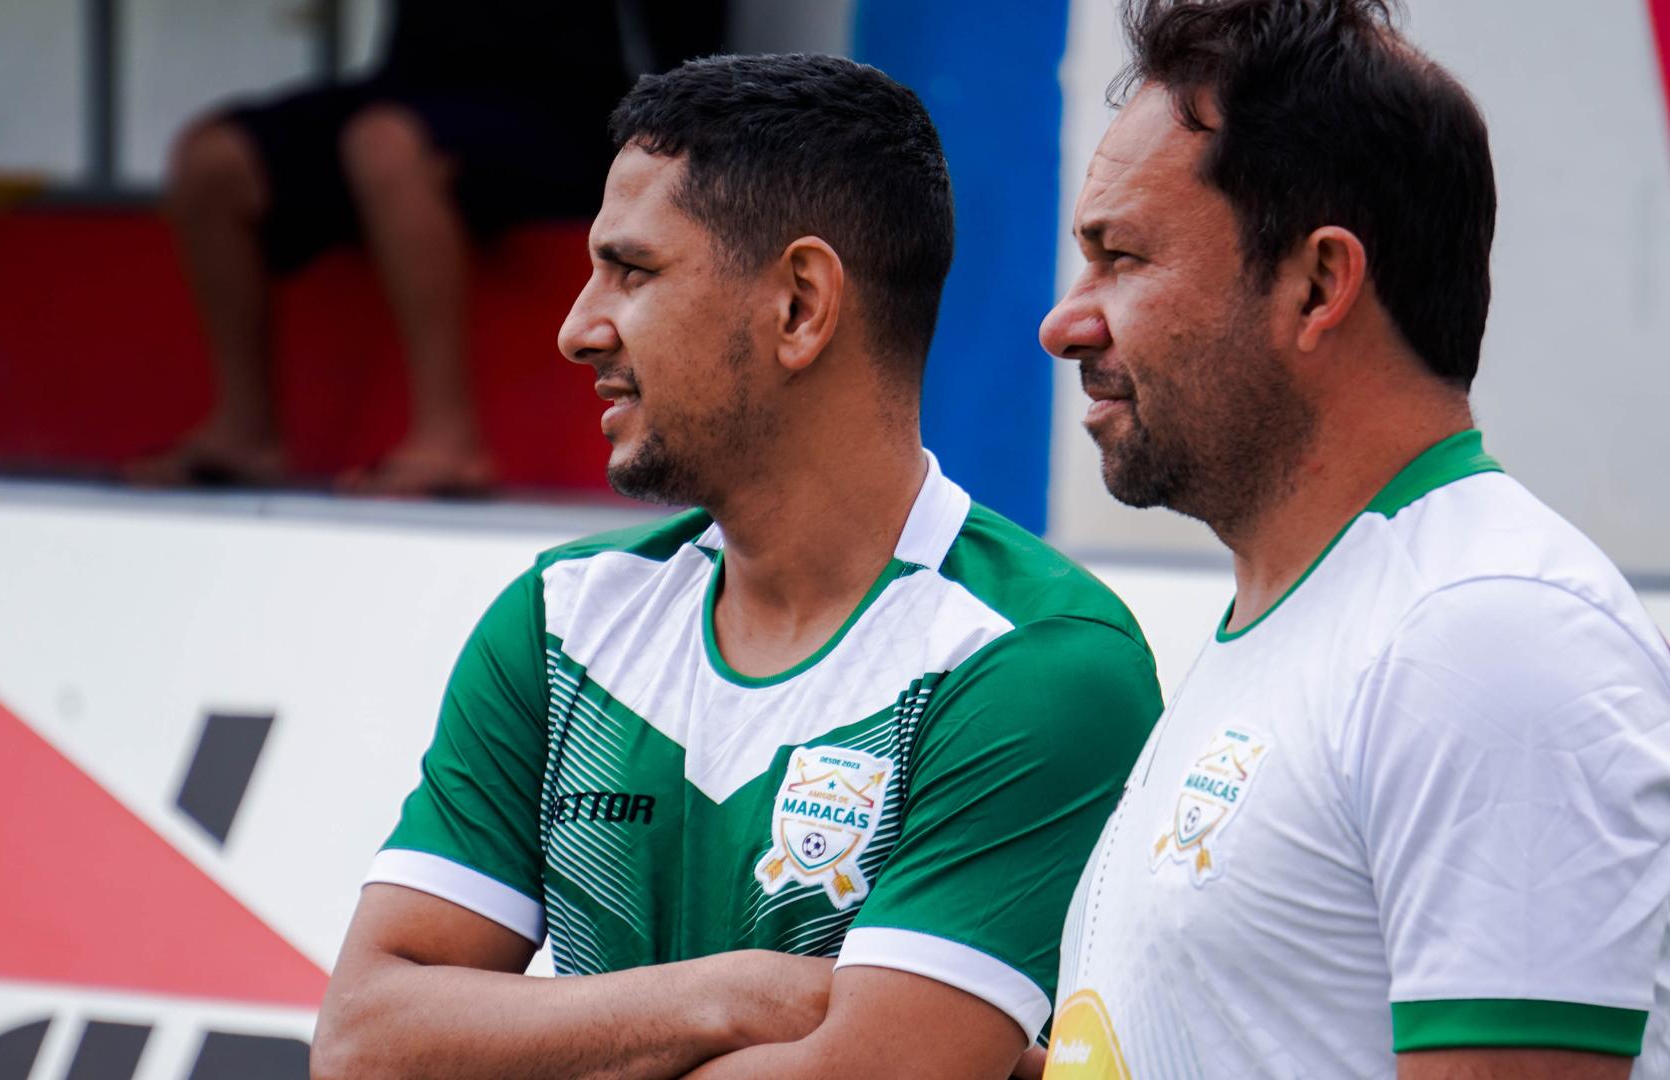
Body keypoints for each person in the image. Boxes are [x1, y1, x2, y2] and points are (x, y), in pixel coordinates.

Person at [311, 54, 1162, 1079]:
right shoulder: (561, 618)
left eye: (632, 271)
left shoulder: (1035, 663)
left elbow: (870, 1077)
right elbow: (364, 1045)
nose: (577, 329)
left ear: (800, 305)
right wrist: (734, 997)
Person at [1037, 1, 1670, 1076]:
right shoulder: (1334, 615)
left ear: (1319, 283)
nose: (1065, 323)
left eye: (1122, 257)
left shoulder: (1483, 632)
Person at [132, 1, 716, 494]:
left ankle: (449, 441)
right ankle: (245, 432)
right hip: (411, 83)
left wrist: (682, 145)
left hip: (561, 100)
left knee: (385, 145)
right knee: (214, 161)